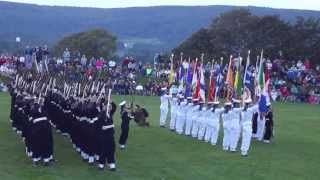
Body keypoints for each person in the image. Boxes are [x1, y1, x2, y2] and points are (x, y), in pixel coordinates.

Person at [97, 100, 117, 171]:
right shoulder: (101, 114)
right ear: (105, 107)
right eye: (108, 106)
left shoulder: (110, 114)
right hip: (104, 136)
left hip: (111, 135)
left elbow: (115, 108)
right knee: (104, 150)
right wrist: (111, 125)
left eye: (110, 106)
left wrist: (112, 102)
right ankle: (101, 165)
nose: (110, 108)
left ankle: (111, 164)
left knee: (111, 149)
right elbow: (102, 127)